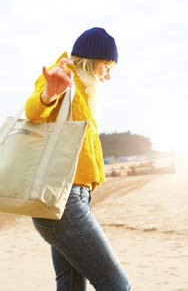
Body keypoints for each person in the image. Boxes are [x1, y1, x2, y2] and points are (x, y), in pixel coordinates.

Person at [25, 27, 131, 291]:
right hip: (63, 201)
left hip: (73, 200)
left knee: (72, 285)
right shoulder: (64, 76)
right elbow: (33, 112)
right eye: (108, 66)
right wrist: (48, 94)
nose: (108, 75)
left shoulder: (85, 94)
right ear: (93, 59)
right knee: (117, 285)